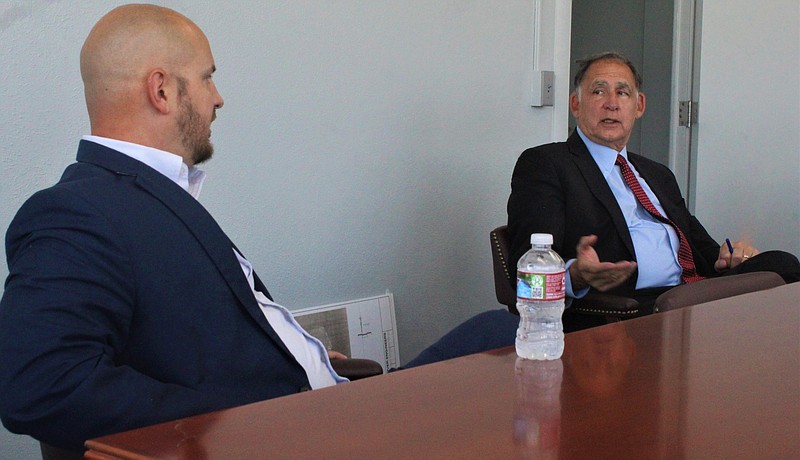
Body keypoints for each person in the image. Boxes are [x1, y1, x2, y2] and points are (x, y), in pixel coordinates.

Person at [0, 5, 351, 454]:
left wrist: (292, 360)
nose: (218, 98)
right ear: (162, 90)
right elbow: (43, 387)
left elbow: (190, 343)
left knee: (475, 340)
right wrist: (244, 412)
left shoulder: (149, 200)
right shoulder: (74, 214)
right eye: (207, 77)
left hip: (325, 410)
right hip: (288, 434)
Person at [507, 52, 800, 330]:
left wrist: (729, 256)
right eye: (598, 91)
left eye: (622, 92)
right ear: (575, 104)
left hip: (692, 293)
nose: (611, 103)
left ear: (639, 106)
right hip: (633, 305)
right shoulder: (546, 164)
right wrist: (576, 276)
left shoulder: (657, 174)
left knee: (783, 264)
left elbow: (706, 252)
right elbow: (527, 275)